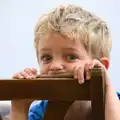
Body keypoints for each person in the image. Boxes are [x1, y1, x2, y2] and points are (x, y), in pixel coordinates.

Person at [10, 4, 120, 120]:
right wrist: (19, 107)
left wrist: (105, 84)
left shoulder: (115, 104)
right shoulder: (39, 113)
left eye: (71, 57)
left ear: (101, 65)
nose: (55, 66)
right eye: (47, 58)